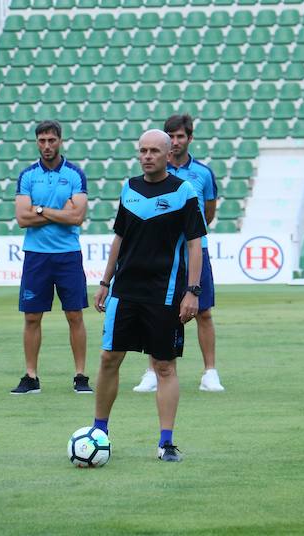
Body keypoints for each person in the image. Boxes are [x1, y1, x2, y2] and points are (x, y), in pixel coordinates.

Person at [92, 129, 206, 462]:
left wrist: (193, 291)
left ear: (169, 154)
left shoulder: (183, 191)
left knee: (164, 367)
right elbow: (119, 239)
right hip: (125, 292)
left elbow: (194, 243)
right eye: (142, 150)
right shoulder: (129, 188)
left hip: (166, 294)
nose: (147, 156)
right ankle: (99, 430)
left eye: (154, 150)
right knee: (108, 359)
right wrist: (104, 281)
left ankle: (166, 442)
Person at [132, 114, 224, 393]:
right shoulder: (156, 171)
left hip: (196, 251)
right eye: (170, 136)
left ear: (189, 138)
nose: (174, 141)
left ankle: (210, 372)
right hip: (163, 253)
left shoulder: (203, 174)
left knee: (203, 311)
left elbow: (207, 213)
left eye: (180, 136)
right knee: (156, 311)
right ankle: (151, 371)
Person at [13, 120, 91, 394]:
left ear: (60, 141)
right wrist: (59, 213)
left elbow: (77, 217)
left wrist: (40, 209)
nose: (47, 145)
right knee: (32, 317)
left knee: (74, 315)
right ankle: (31, 376)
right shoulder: (27, 176)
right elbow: (22, 219)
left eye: (51, 140)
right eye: (42, 140)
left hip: (68, 254)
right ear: (37, 142)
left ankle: (80, 375)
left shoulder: (75, 174)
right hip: (37, 256)